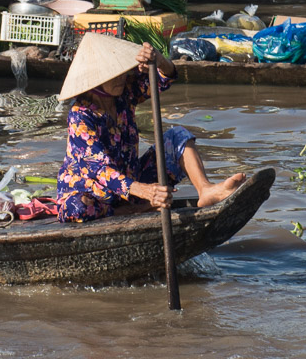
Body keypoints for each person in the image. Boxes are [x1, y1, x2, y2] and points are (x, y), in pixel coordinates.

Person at [55, 33, 246, 223]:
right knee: (77, 208)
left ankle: (205, 190)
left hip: (130, 181)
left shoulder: (123, 94)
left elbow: (165, 78)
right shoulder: (80, 115)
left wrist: (160, 60)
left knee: (178, 136)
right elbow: (100, 170)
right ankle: (138, 210)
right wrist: (145, 191)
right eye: (114, 74)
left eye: (122, 72)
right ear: (95, 80)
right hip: (94, 192)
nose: (122, 77)